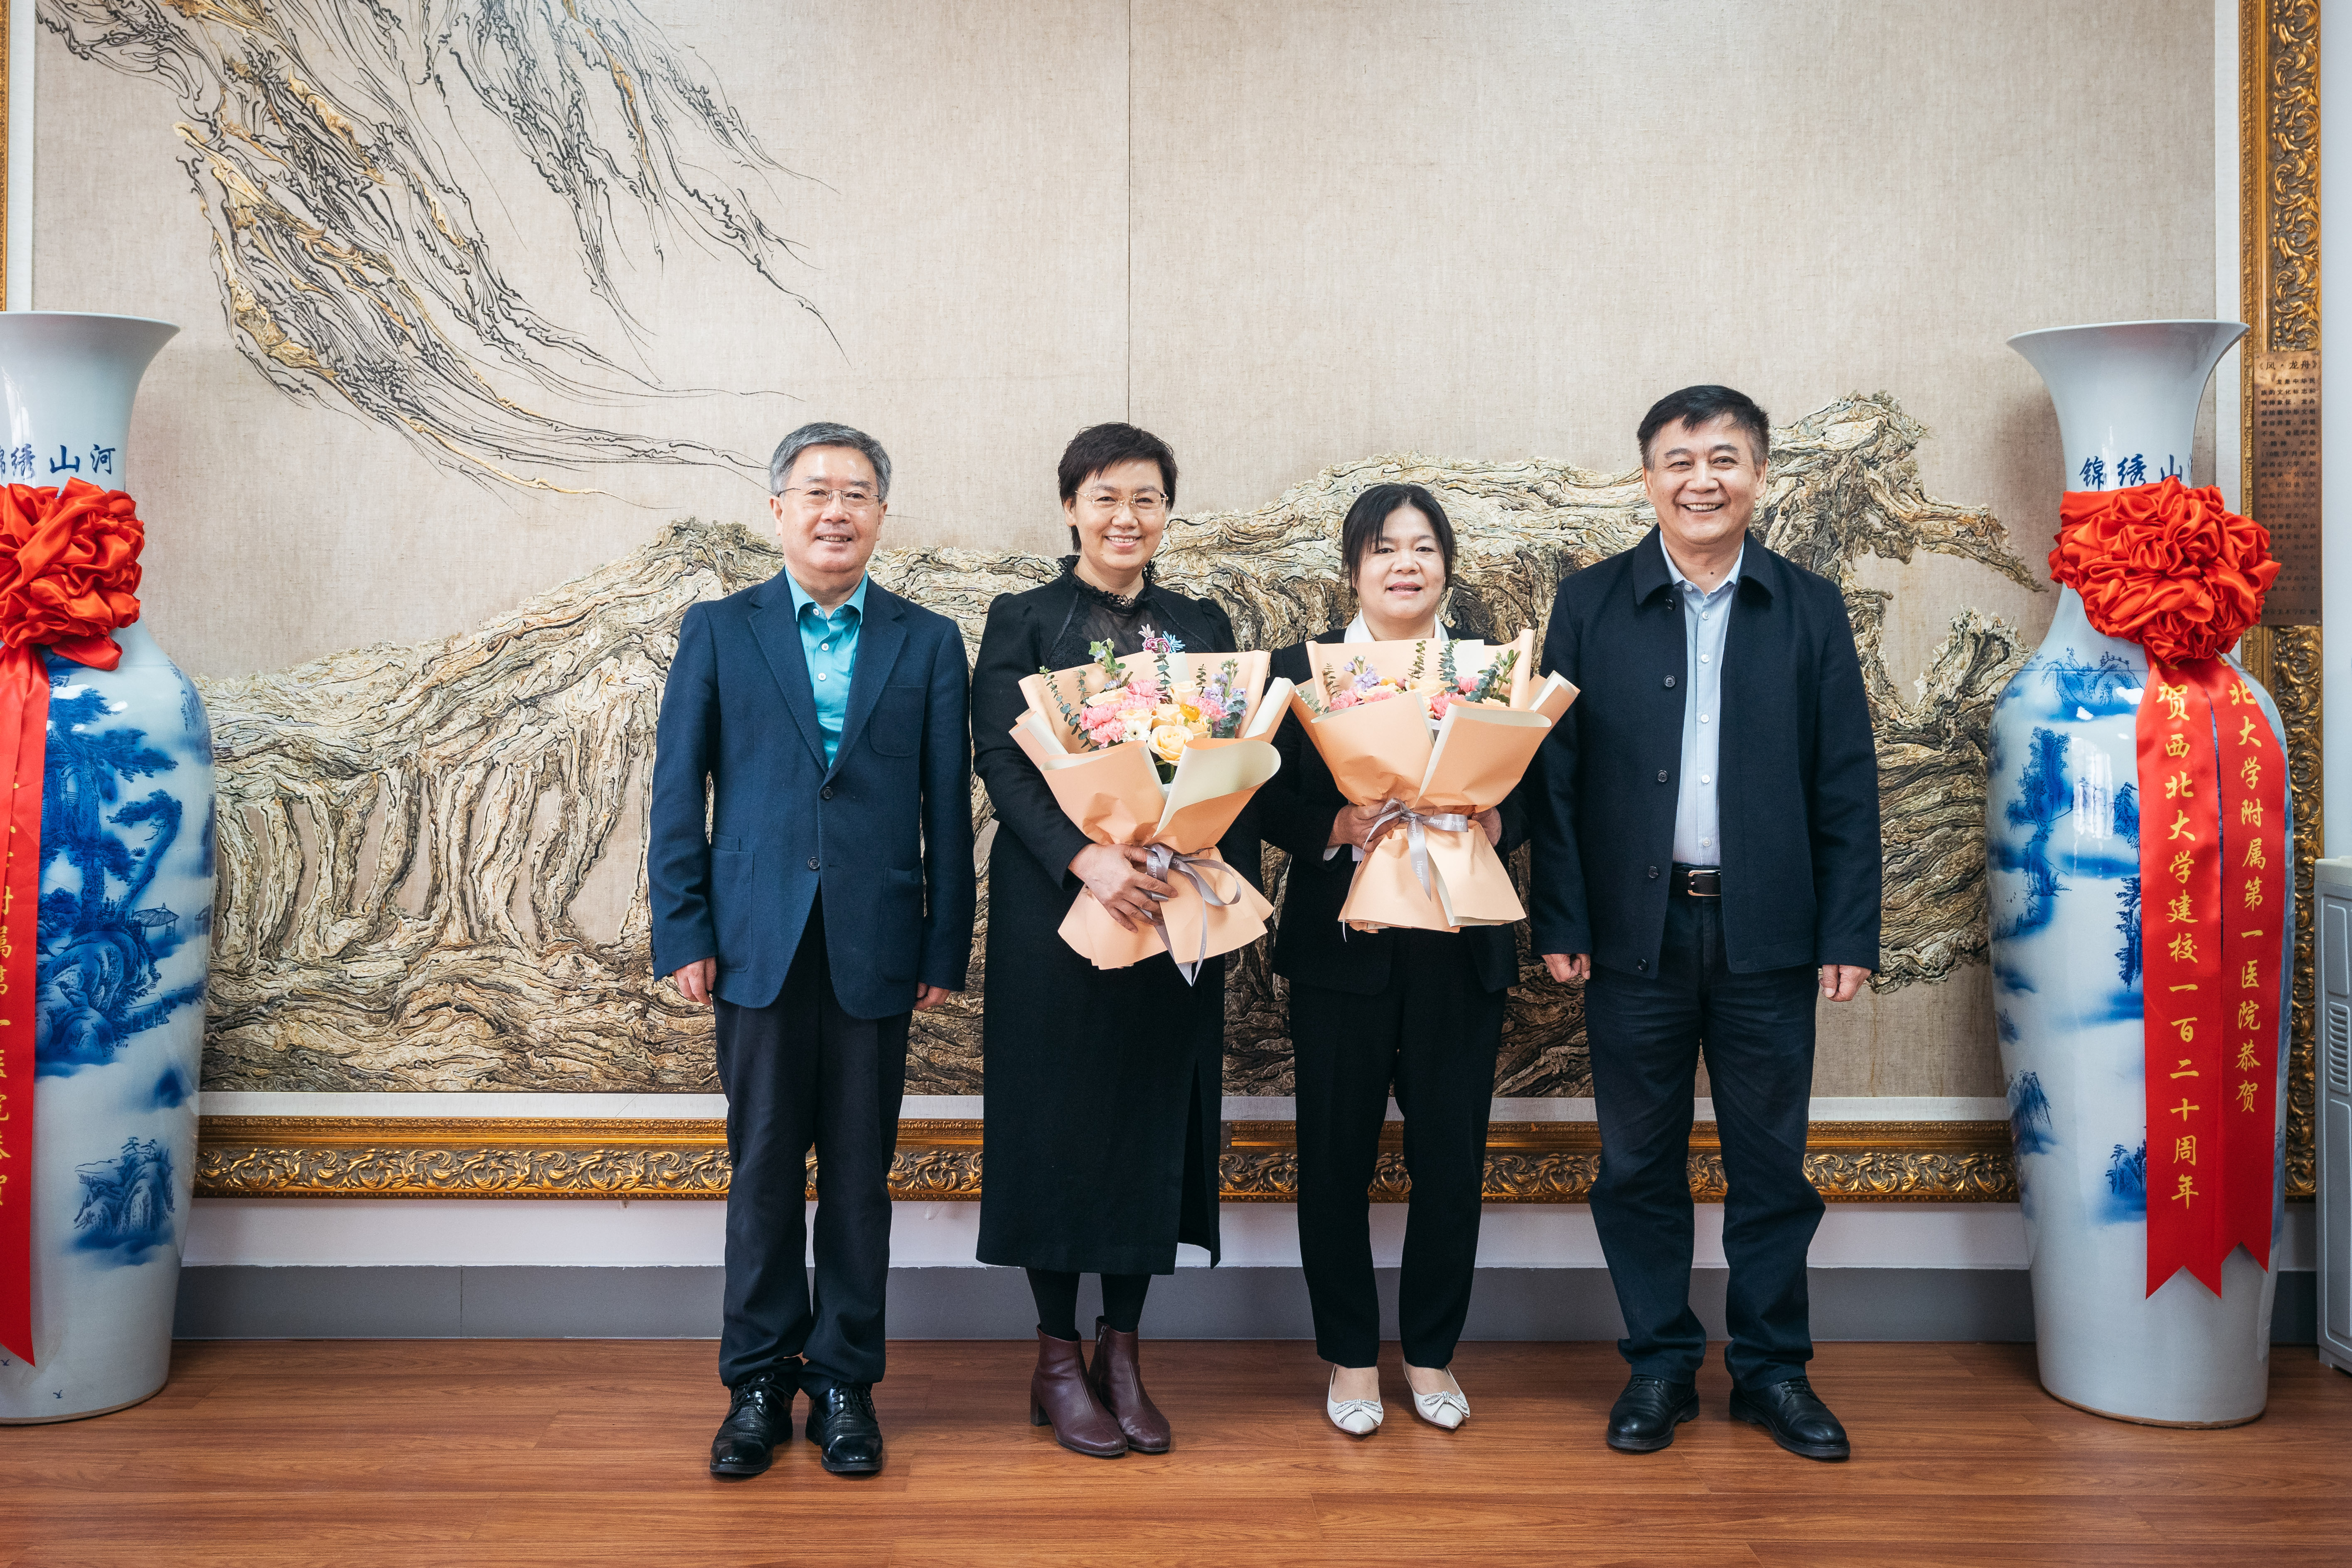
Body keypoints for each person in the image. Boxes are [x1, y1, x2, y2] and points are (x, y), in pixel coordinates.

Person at [1528, 385, 1879, 1462]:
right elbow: (1553, 778)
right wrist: (1563, 915)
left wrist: (1847, 932)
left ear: (1758, 476)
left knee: (1771, 1166)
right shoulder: (1589, 602)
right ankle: (1659, 1366)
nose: (1701, 480)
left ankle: (1773, 1372)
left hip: (1767, 932)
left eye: (1723, 458)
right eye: (1678, 461)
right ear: (1647, 480)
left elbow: (1844, 778)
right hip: (1631, 933)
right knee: (1636, 1165)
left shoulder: (1809, 606)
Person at [650, 421, 976, 1481]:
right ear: (778, 510)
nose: (837, 510)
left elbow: (945, 809)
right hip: (754, 941)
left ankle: (844, 1383)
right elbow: (677, 791)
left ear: (881, 514)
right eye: (816, 491)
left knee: (858, 1179)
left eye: (857, 493)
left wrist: (944, 943)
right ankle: (755, 1382)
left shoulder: (927, 640)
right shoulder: (719, 628)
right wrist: (684, 928)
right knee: (760, 1172)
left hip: (876, 944)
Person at [970, 422, 1256, 1459]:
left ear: (1166, 513)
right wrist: (1084, 858)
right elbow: (1001, 760)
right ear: (1070, 509)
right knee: (1054, 1124)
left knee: (1147, 1121)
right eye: (1104, 497)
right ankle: (1056, 1360)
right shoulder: (1023, 619)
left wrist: (1194, 860)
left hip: (1169, 899)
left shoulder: (1200, 624)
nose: (1125, 517)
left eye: (1145, 498)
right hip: (1058, 912)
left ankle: (1121, 1353)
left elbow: (1230, 755)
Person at [1260, 483, 1520, 1438]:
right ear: (1352, 568)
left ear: (1446, 566)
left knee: (1451, 1161)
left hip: (1459, 947)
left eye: (1422, 548)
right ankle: (1349, 1357)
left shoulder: (1491, 671)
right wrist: (1333, 823)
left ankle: (1432, 1352)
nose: (1404, 564)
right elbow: (1253, 793)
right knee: (1334, 1159)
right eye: (1383, 548)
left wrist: (1500, 819)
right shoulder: (1301, 672)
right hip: (1344, 952)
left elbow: (1542, 785)